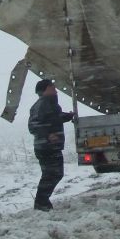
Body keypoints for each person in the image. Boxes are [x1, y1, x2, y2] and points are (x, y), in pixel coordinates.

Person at [28, 78, 75, 211]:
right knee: (52, 174)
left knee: (53, 174)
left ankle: (42, 202)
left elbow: (55, 118)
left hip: (49, 146)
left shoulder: (49, 104)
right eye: (52, 88)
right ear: (45, 90)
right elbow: (33, 126)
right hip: (46, 147)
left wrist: (68, 116)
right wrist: (48, 135)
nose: (56, 90)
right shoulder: (42, 104)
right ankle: (41, 203)